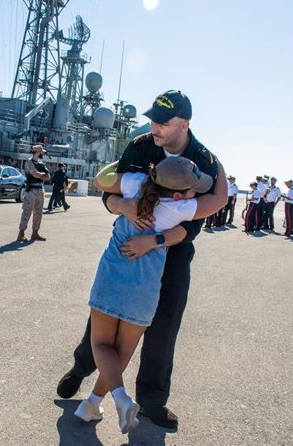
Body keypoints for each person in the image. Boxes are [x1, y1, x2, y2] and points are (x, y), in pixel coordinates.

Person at [57, 90, 227, 430]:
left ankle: (151, 401)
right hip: (131, 239)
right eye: (153, 119)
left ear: (185, 124)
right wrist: (123, 207)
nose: (155, 127)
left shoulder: (203, 159)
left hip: (172, 250)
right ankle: (81, 369)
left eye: (163, 122)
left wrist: (156, 239)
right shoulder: (140, 146)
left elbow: (194, 224)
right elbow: (110, 193)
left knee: (164, 327)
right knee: (102, 324)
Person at [74, 156, 214, 434]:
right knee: (124, 349)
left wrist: (126, 162)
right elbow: (218, 200)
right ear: (178, 194)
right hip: (144, 286)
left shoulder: (134, 183)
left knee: (101, 344)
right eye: (191, 188)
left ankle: (118, 398)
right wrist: (216, 168)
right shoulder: (181, 208)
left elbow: (101, 178)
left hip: (111, 276)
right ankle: (95, 403)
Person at [17, 144, 50, 242]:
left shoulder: (41, 163)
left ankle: (35, 233)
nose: (42, 154)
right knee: (27, 211)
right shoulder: (29, 162)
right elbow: (34, 174)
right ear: (37, 152)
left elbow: (48, 176)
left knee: (38, 213)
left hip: (40, 189)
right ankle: (21, 233)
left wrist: (41, 175)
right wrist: (42, 175)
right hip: (31, 190)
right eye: (41, 153)